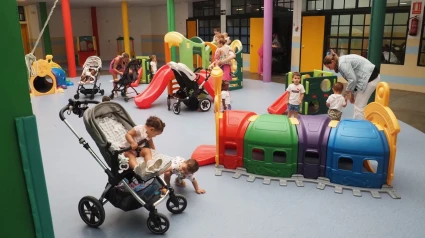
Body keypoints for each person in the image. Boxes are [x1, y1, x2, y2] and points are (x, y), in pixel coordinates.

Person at [323, 52, 380, 120]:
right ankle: (358, 123)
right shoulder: (341, 62)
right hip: (367, 78)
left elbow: (352, 80)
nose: (330, 69)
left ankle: (357, 126)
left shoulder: (342, 64)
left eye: (329, 67)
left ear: (332, 62)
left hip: (370, 78)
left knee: (359, 106)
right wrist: (352, 94)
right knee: (358, 104)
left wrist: (347, 94)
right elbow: (353, 80)